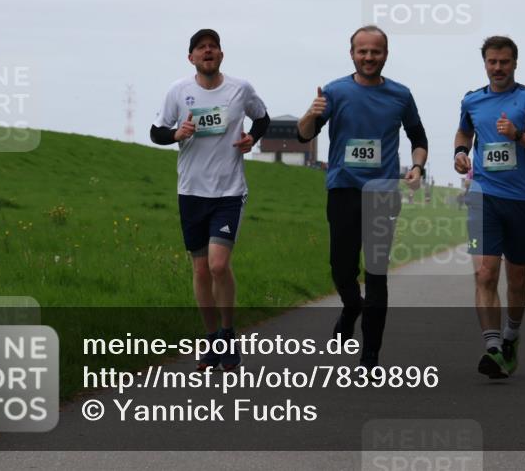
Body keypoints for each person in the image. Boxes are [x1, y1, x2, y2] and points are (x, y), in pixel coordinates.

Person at [297, 25, 427, 369]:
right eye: (363, 51)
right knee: (341, 269)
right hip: (343, 190)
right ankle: (351, 306)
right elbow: (303, 135)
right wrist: (311, 113)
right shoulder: (335, 92)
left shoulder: (401, 95)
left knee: (377, 275)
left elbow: (418, 137)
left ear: (386, 54)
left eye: (376, 51)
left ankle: (370, 356)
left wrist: (416, 167)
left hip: (383, 193)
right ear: (352, 53)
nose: (369, 57)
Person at [150, 29, 270, 371]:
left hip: (229, 191)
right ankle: (212, 340)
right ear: (191, 58)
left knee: (218, 264)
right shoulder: (178, 91)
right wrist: (176, 134)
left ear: (221, 55)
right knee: (201, 269)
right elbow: (157, 132)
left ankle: (229, 334)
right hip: (191, 192)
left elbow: (262, 118)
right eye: (201, 48)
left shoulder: (239, 89)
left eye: (213, 47)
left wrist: (251, 138)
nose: (207, 52)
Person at [454, 35, 525, 379]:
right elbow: (464, 134)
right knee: (485, 272)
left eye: (504, 62)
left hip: (521, 199)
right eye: (492, 62)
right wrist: (460, 153)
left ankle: (512, 336)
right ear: (484, 63)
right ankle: (493, 347)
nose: (497, 68)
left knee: (517, 277)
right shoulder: (472, 101)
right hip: (484, 195)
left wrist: (518, 136)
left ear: (515, 63)